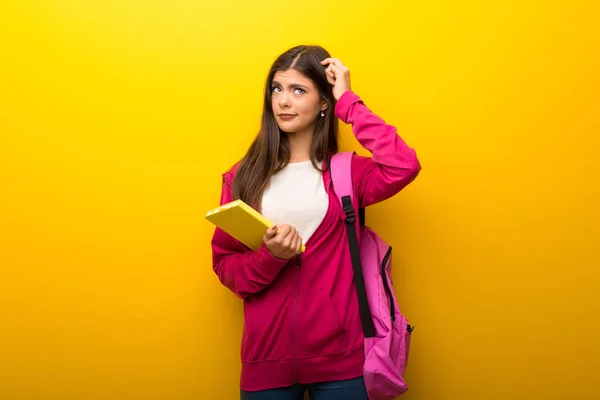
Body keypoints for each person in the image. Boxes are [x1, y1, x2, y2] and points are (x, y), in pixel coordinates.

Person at [211, 44, 421, 400]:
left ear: (324, 102)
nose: (283, 101)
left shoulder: (346, 173)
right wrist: (270, 257)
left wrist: (349, 102)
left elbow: (403, 165)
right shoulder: (242, 177)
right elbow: (226, 266)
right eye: (277, 89)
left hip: (343, 360)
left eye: (298, 90)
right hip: (266, 361)